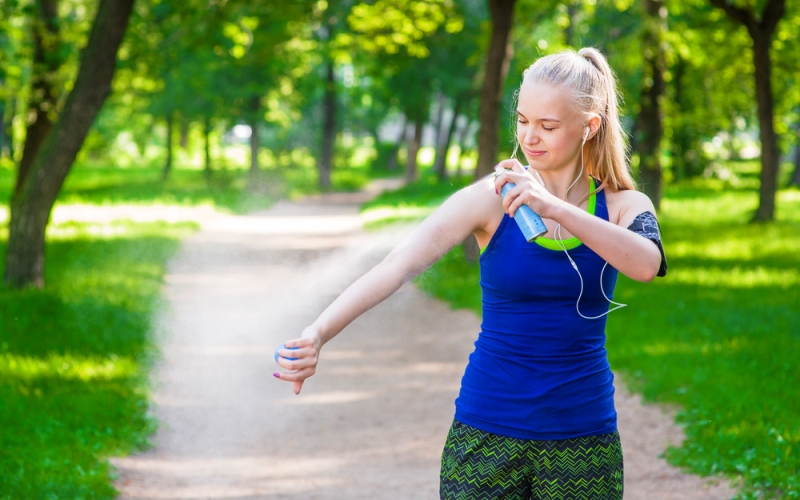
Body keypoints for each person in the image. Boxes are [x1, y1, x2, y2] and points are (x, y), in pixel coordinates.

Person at [274, 47, 668, 500]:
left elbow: (645, 264)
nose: (530, 136)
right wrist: (319, 332)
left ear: (590, 126)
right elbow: (396, 265)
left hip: (583, 437)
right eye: (522, 120)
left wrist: (551, 205)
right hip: (486, 431)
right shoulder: (488, 200)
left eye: (548, 125)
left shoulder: (624, 205)